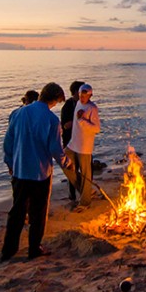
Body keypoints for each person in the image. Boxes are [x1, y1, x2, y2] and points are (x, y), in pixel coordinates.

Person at [1, 82, 72, 260]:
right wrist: (66, 163)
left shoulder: (17, 113)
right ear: (54, 100)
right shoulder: (51, 120)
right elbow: (55, 149)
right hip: (40, 173)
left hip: (19, 170)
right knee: (38, 213)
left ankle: (8, 250)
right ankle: (34, 248)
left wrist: (9, 162)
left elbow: (8, 142)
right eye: (57, 102)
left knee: (17, 211)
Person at [61, 84, 100, 212]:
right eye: (80, 95)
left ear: (90, 95)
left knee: (85, 175)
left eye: (85, 96)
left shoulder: (92, 108)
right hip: (73, 143)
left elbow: (97, 129)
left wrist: (82, 121)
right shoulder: (78, 103)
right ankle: (86, 192)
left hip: (84, 146)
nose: (82, 98)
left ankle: (85, 202)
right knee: (63, 163)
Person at [59, 81, 85, 201]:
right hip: (70, 142)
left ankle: (85, 193)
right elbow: (65, 126)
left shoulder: (84, 104)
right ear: (76, 92)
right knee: (72, 168)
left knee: (85, 169)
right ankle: (72, 195)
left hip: (83, 142)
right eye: (82, 91)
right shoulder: (68, 106)